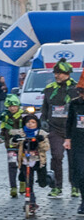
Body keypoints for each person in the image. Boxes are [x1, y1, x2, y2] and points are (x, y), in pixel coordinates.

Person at [40, 62, 78, 199]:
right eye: (55, 73)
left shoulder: (76, 88)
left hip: (72, 130)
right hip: (55, 129)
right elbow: (44, 107)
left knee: (74, 159)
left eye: (59, 73)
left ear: (67, 74)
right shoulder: (49, 89)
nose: (57, 75)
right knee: (56, 157)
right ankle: (57, 186)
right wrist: (43, 121)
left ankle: (75, 186)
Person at [13, 111, 47, 219]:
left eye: (33, 122)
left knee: (43, 182)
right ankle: (31, 202)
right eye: (28, 122)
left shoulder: (41, 133)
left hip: (38, 161)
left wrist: (40, 141)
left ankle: (50, 178)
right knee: (28, 182)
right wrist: (14, 139)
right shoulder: (21, 132)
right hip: (25, 161)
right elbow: (14, 141)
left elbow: (46, 147)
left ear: (37, 123)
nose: (30, 124)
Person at [0, 94, 25, 198]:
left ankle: (23, 183)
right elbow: (3, 129)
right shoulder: (5, 117)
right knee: (12, 165)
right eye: (10, 106)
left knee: (23, 164)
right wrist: (1, 137)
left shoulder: (23, 116)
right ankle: (13, 187)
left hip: (22, 145)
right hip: (10, 145)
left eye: (14, 106)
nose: (12, 108)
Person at [67, 84, 84, 214]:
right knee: (81, 171)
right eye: (81, 93)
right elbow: (70, 121)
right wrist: (68, 138)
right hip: (78, 141)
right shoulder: (74, 104)